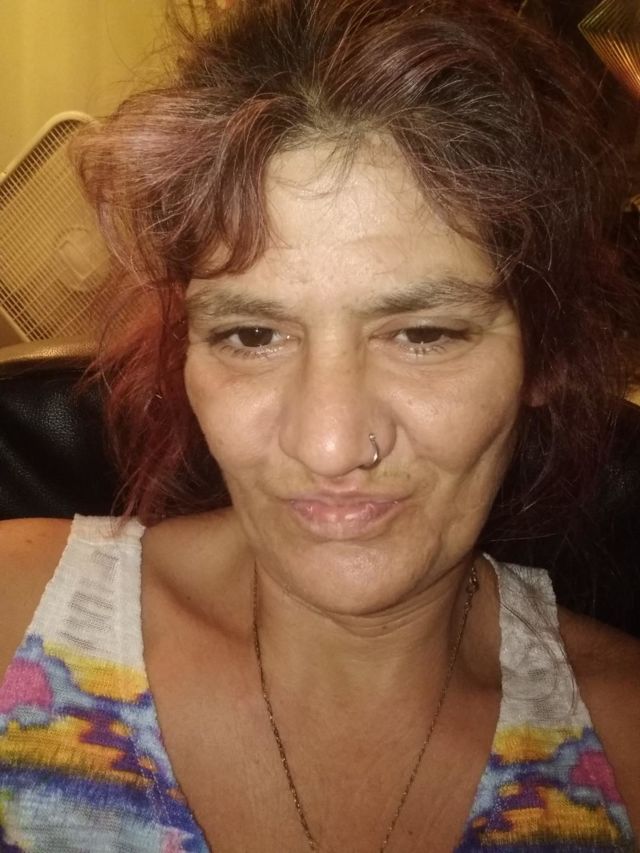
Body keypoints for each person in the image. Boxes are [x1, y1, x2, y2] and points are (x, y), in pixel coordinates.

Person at [1, 0, 640, 850]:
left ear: (543, 357)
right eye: (251, 335)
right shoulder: (14, 616)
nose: (331, 445)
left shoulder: (624, 745)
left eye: (424, 333)